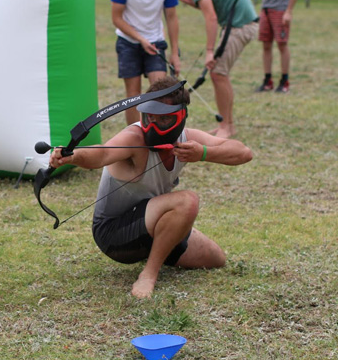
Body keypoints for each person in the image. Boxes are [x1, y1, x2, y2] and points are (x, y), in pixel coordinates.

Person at [49, 77, 253, 299]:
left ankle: (160, 245)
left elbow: (243, 152)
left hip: (151, 224)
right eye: (149, 117)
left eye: (163, 120)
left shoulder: (188, 138)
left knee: (216, 259)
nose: (153, 125)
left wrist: (203, 153)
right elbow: (103, 153)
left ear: (181, 117)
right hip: (114, 236)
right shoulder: (134, 137)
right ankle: (149, 273)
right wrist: (73, 155)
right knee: (187, 201)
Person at [164, 0, 259, 139]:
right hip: (242, 23)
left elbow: (211, 17)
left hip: (240, 26)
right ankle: (228, 124)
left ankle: (226, 126)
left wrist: (209, 51)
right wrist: (196, 4)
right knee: (220, 75)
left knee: (218, 74)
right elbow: (216, 5)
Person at [111, 0, 180, 125]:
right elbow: (116, 18)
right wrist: (140, 39)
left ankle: (157, 135)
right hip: (128, 43)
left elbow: (171, 18)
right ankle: (134, 138)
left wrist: (174, 53)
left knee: (160, 94)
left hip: (155, 42)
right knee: (133, 96)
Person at [257, 0, 299, 93]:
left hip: (281, 9)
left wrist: (289, 11)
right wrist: (263, 4)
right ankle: (267, 80)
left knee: (282, 45)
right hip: (266, 9)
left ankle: (285, 80)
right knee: (266, 45)